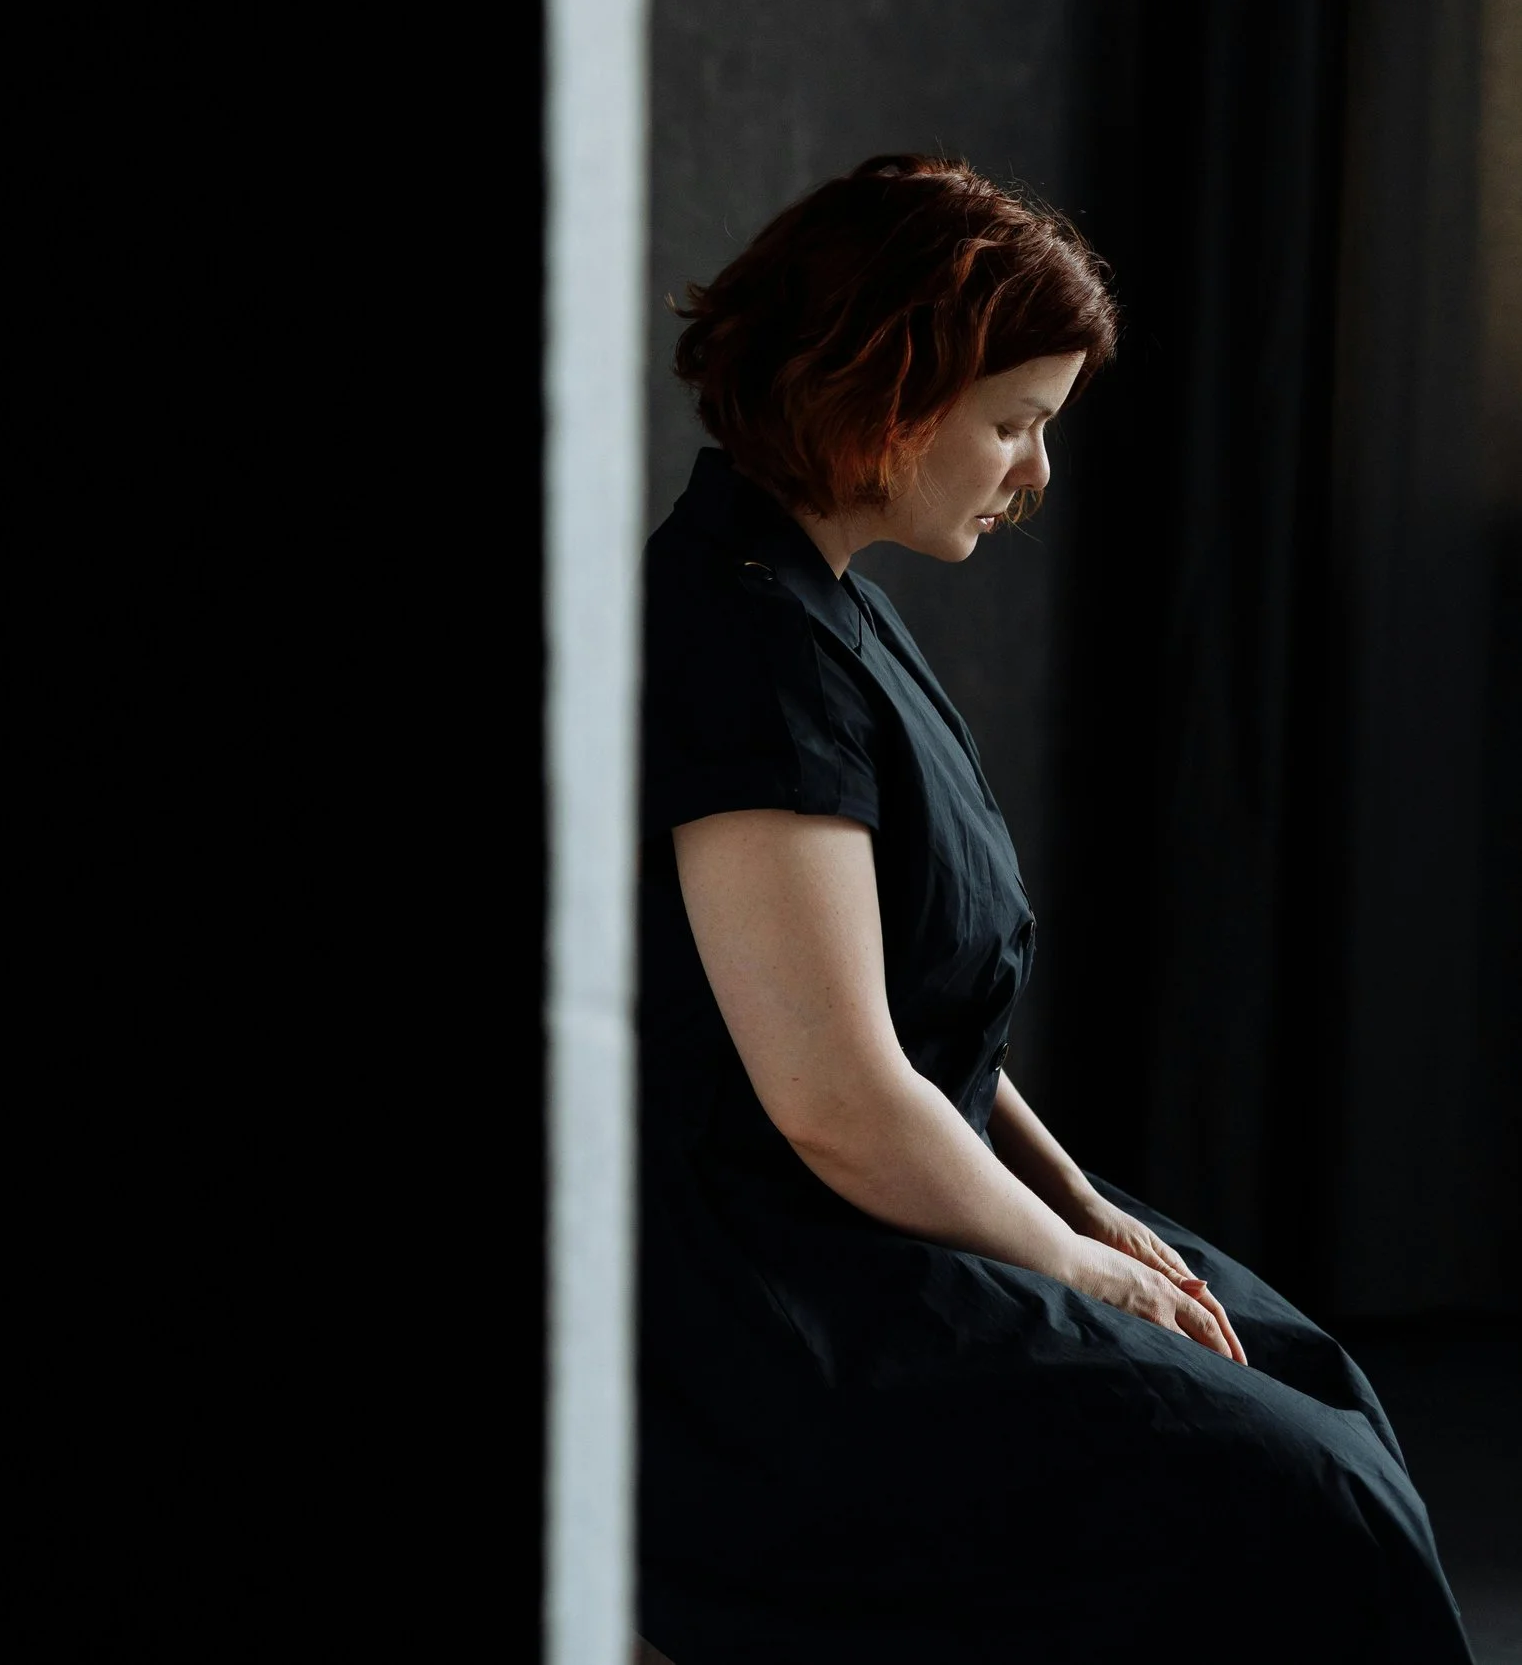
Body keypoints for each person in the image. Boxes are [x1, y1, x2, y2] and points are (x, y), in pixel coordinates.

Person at [630, 154, 1474, 1664]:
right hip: (779, 1304)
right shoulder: (738, 646)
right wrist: (1073, 1267)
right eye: (1014, 423)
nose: (1034, 474)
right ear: (889, 396)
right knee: (1299, 1493)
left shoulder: (828, 607)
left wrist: (1090, 1213)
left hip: (891, 1214)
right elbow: (834, 1095)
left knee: (1301, 1370)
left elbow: (924, 1024)